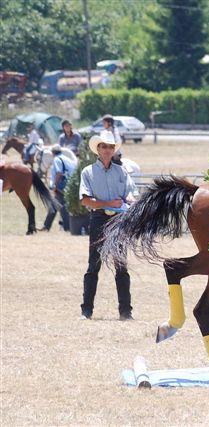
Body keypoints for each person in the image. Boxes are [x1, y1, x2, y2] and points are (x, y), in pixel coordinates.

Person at [79, 130, 137, 320]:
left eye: (110, 147)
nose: (107, 149)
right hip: (98, 219)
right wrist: (108, 204)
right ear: (98, 149)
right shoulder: (88, 172)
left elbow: (130, 193)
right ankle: (86, 311)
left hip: (119, 221)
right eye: (104, 146)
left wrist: (130, 199)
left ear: (113, 150)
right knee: (93, 265)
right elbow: (86, 201)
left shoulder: (121, 172)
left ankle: (126, 311)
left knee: (121, 265)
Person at [41, 145, 77, 231]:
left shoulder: (57, 159)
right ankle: (46, 226)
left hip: (61, 186)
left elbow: (58, 173)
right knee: (54, 205)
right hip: (69, 185)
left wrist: (55, 186)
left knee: (62, 207)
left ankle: (67, 227)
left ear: (52, 153)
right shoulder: (67, 159)